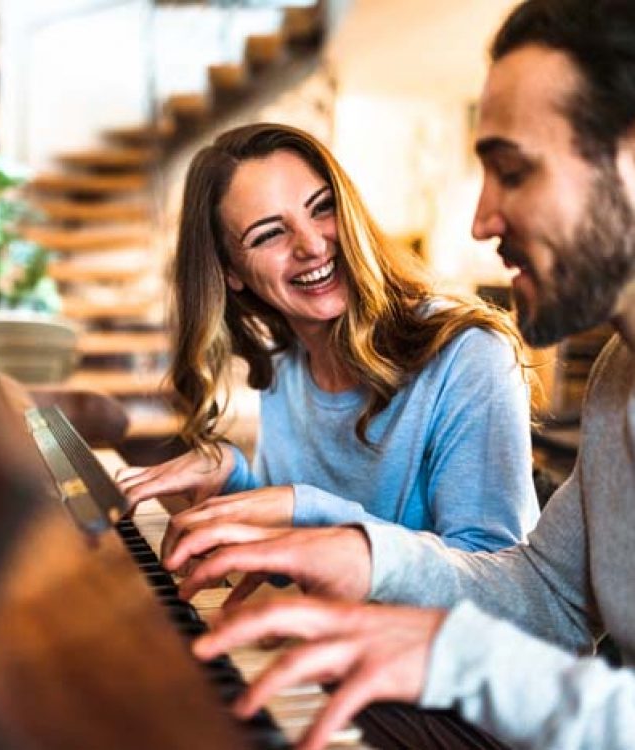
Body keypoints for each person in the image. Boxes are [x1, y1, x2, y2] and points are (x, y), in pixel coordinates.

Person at [167, 1, 635, 748]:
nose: (481, 221)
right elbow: (548, 596)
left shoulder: (472, 357)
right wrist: (360, 552)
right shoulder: (620, 375)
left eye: (512, 171)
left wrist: (336, 532)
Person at [117, 122, 539, 555]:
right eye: (269, 233)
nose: (312, 245)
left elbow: (493, 574)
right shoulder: (286, 365)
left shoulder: (469, 355)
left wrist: (304, 507)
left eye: (321, 208)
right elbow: (297, 557)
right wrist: (234, 478)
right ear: (231, 273)